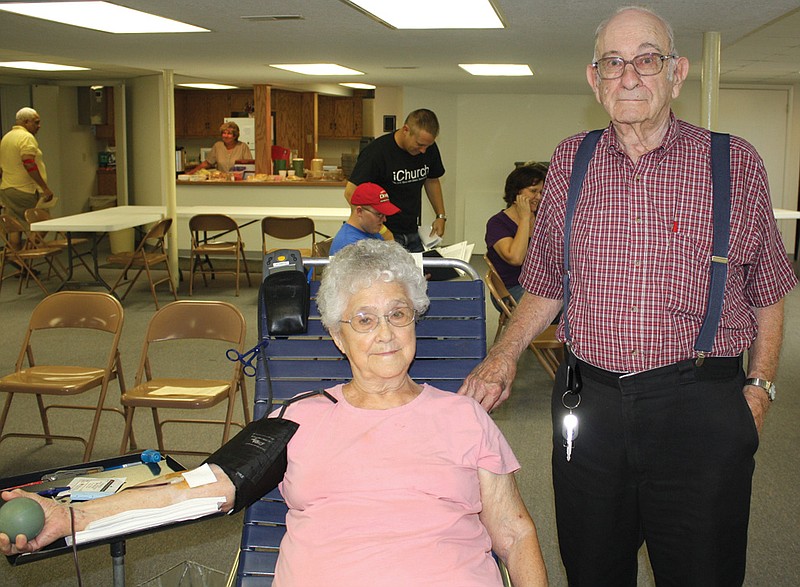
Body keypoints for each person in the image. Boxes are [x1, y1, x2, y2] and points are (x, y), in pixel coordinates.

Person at [460, 6, 797, 586]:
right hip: (588, 403)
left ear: (677, 73)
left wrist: (761, 388)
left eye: (647, 60)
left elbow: (768, 285)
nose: (630, 76)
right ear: (595, 80)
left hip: (700, 397)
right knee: (592, 566)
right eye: (614, 63)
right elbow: (545, 279)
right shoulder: (572, 159)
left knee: (702, 572)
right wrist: (502, 355)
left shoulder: (732, 162)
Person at [1, 239, 549, 587]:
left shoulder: (463, 417)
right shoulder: (298, 419)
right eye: (363, 319)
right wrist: (67, 517)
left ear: (415, 320)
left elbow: (515, 534)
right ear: (337, 337)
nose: (384, 333)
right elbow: (202, 489)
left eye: (397, 314)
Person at [345, 109, 447, 252]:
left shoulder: (428, 148)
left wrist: (440, 215)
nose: (423, 150)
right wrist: (382, 230)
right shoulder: (377, 152)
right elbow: (350, 192)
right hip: (384, 233)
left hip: (412, 230)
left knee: (421, 273)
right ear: (406, 130)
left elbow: (432, 179)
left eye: (427, 146)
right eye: (419, 144)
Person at [485, 164, 548, 302]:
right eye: (533, 191)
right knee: (562, 305)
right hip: (512, 289)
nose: (539, 197)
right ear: (516, 191)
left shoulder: (544, 218)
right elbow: (516, 258)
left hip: (543, 285)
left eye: (542, 192)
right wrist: (525, 218)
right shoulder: (497, 223)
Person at [0, 107, 54, 249]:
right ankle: (27, 256)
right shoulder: (26, 138)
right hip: (25, 189)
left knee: (15, 227)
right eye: (36, 122)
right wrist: (44, 187)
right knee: (44, 222)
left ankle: (16, 259)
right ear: (26, 122)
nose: (39, 126)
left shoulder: (6, 138)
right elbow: (29, 163)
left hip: (7, 188)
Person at [329, 182, 399, 255]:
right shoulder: (350, 246)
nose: (384, 219)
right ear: (359, 211)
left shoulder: (370, 231)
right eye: (379, 214)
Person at [187, 121, 252, 174]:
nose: (226, 136)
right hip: (221, 181)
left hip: (238, 182)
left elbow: (249, 165)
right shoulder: (218, 146)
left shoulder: (242, 147)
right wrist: (190, 173)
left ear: (235, 136)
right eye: (224, 133)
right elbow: (207, 163)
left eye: (229, 133)